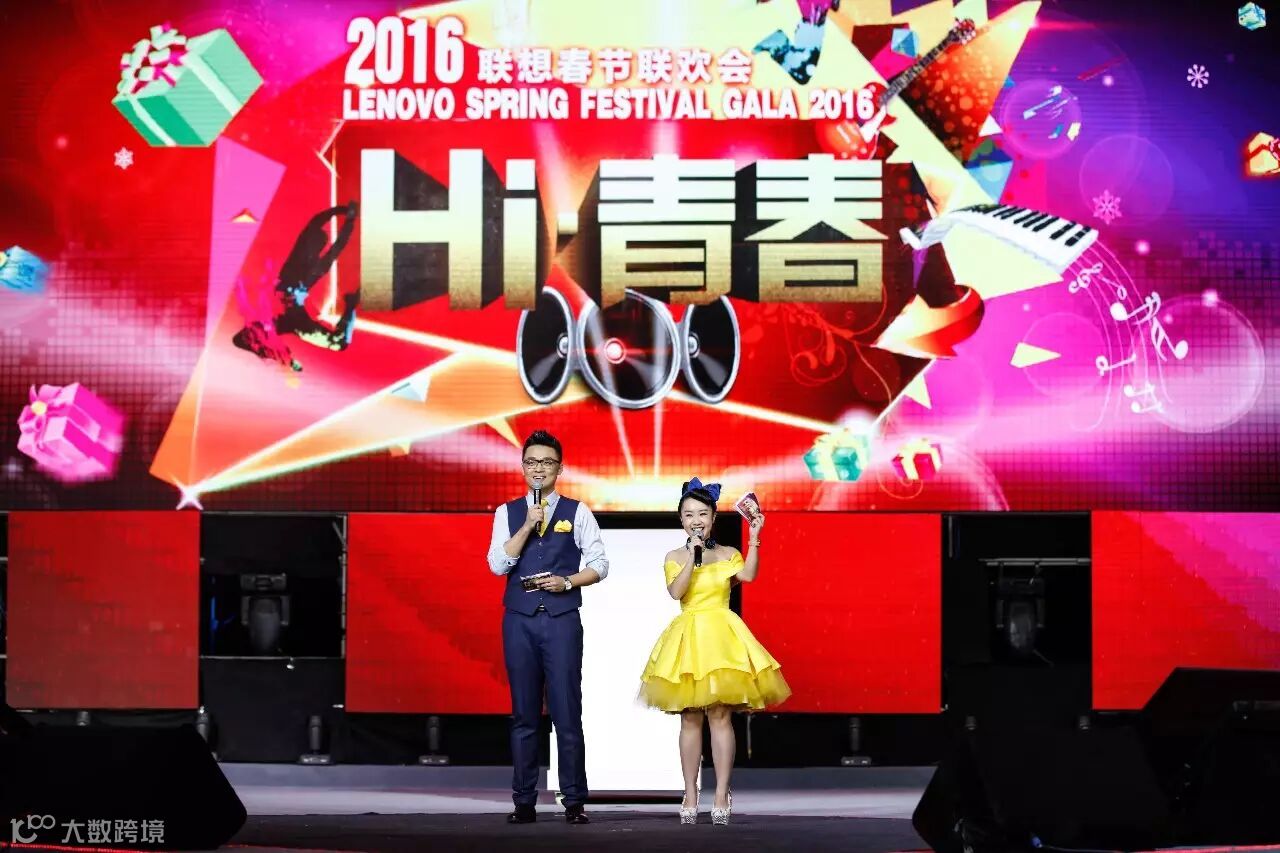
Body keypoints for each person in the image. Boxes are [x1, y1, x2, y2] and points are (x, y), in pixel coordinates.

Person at [638, 478, 790, 826]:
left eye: (702, 514)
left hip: (721, 637)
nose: (696, 520)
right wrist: (693, 558)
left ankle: (721, 793)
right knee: (690, 717)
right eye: (689, 514)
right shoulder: (675, 556)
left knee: (720, 715)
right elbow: (676, 593)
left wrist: (754, 536)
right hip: (689, 637)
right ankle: (690, 794)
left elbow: (748, 575)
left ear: (713, 517)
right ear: (681, 519)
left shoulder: (727, 554)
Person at [487, 430, 608, 825]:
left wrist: (568, 581)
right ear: (523, 467)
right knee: (523, 714)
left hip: (561, 621)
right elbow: (497, 564)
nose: (539, 468)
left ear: (560, 468)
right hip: (519, 621)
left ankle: (574, 801)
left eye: (547, 462)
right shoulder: (507, 513)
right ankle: (523, 801)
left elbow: (600, 564)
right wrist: (527, 526)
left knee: (566, 712)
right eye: (532, 462)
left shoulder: (577, 511)